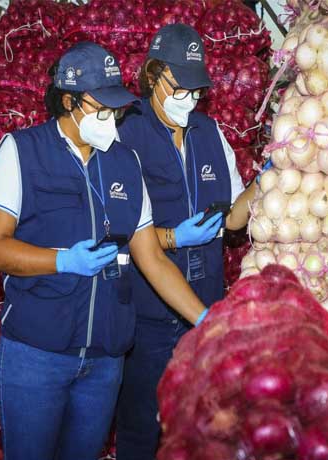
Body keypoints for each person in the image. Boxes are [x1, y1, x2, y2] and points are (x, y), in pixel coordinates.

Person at [0, 42, 209, 460]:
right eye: (101, 109)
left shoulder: (124, 162)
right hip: (37, 355)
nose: (111, 118)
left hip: (104, 361)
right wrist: (62, 260)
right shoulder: (21, 151)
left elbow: (151, 258)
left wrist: (206, 319)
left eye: (116, 109)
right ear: (68, 101)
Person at [113, 24, 264, 459]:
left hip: (206, 300)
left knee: (199, 430)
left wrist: (267, 178)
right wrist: (172, 237)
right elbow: (114, 232)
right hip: (149, 319)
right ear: (153, 76)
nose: (189, 99)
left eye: (196, 90)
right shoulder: (124, 135)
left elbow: (233, 217)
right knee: (142, 428)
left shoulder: (210, 134)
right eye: (180, 87)